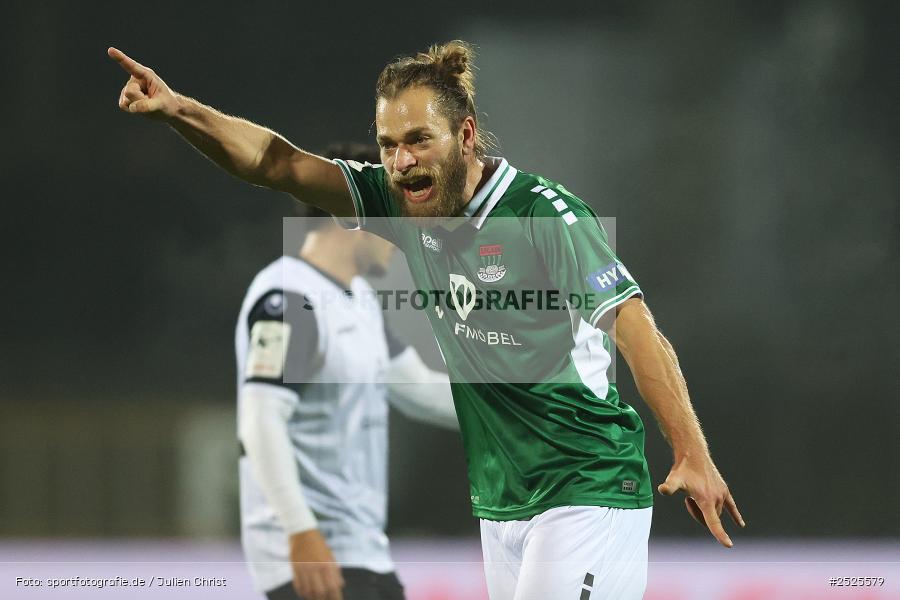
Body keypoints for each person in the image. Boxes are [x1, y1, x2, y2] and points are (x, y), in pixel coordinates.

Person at [110, 41, 745, 600]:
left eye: (419, 140)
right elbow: (275, 164)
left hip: (589, 487)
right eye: (388, 145)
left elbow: (636, 328)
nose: (402, 160)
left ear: (466, 135)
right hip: (503, 503)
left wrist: (691, 451)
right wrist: (177, 110)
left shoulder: (544, 217)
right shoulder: (394, 203)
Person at [235, 142, 458, 600]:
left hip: (362, 556)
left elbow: (418, 387)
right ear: (352, 215)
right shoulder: (288, 298)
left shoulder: (358, 301)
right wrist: (300, 532)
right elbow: (260, 417)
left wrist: (529, 401)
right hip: (316, 564)